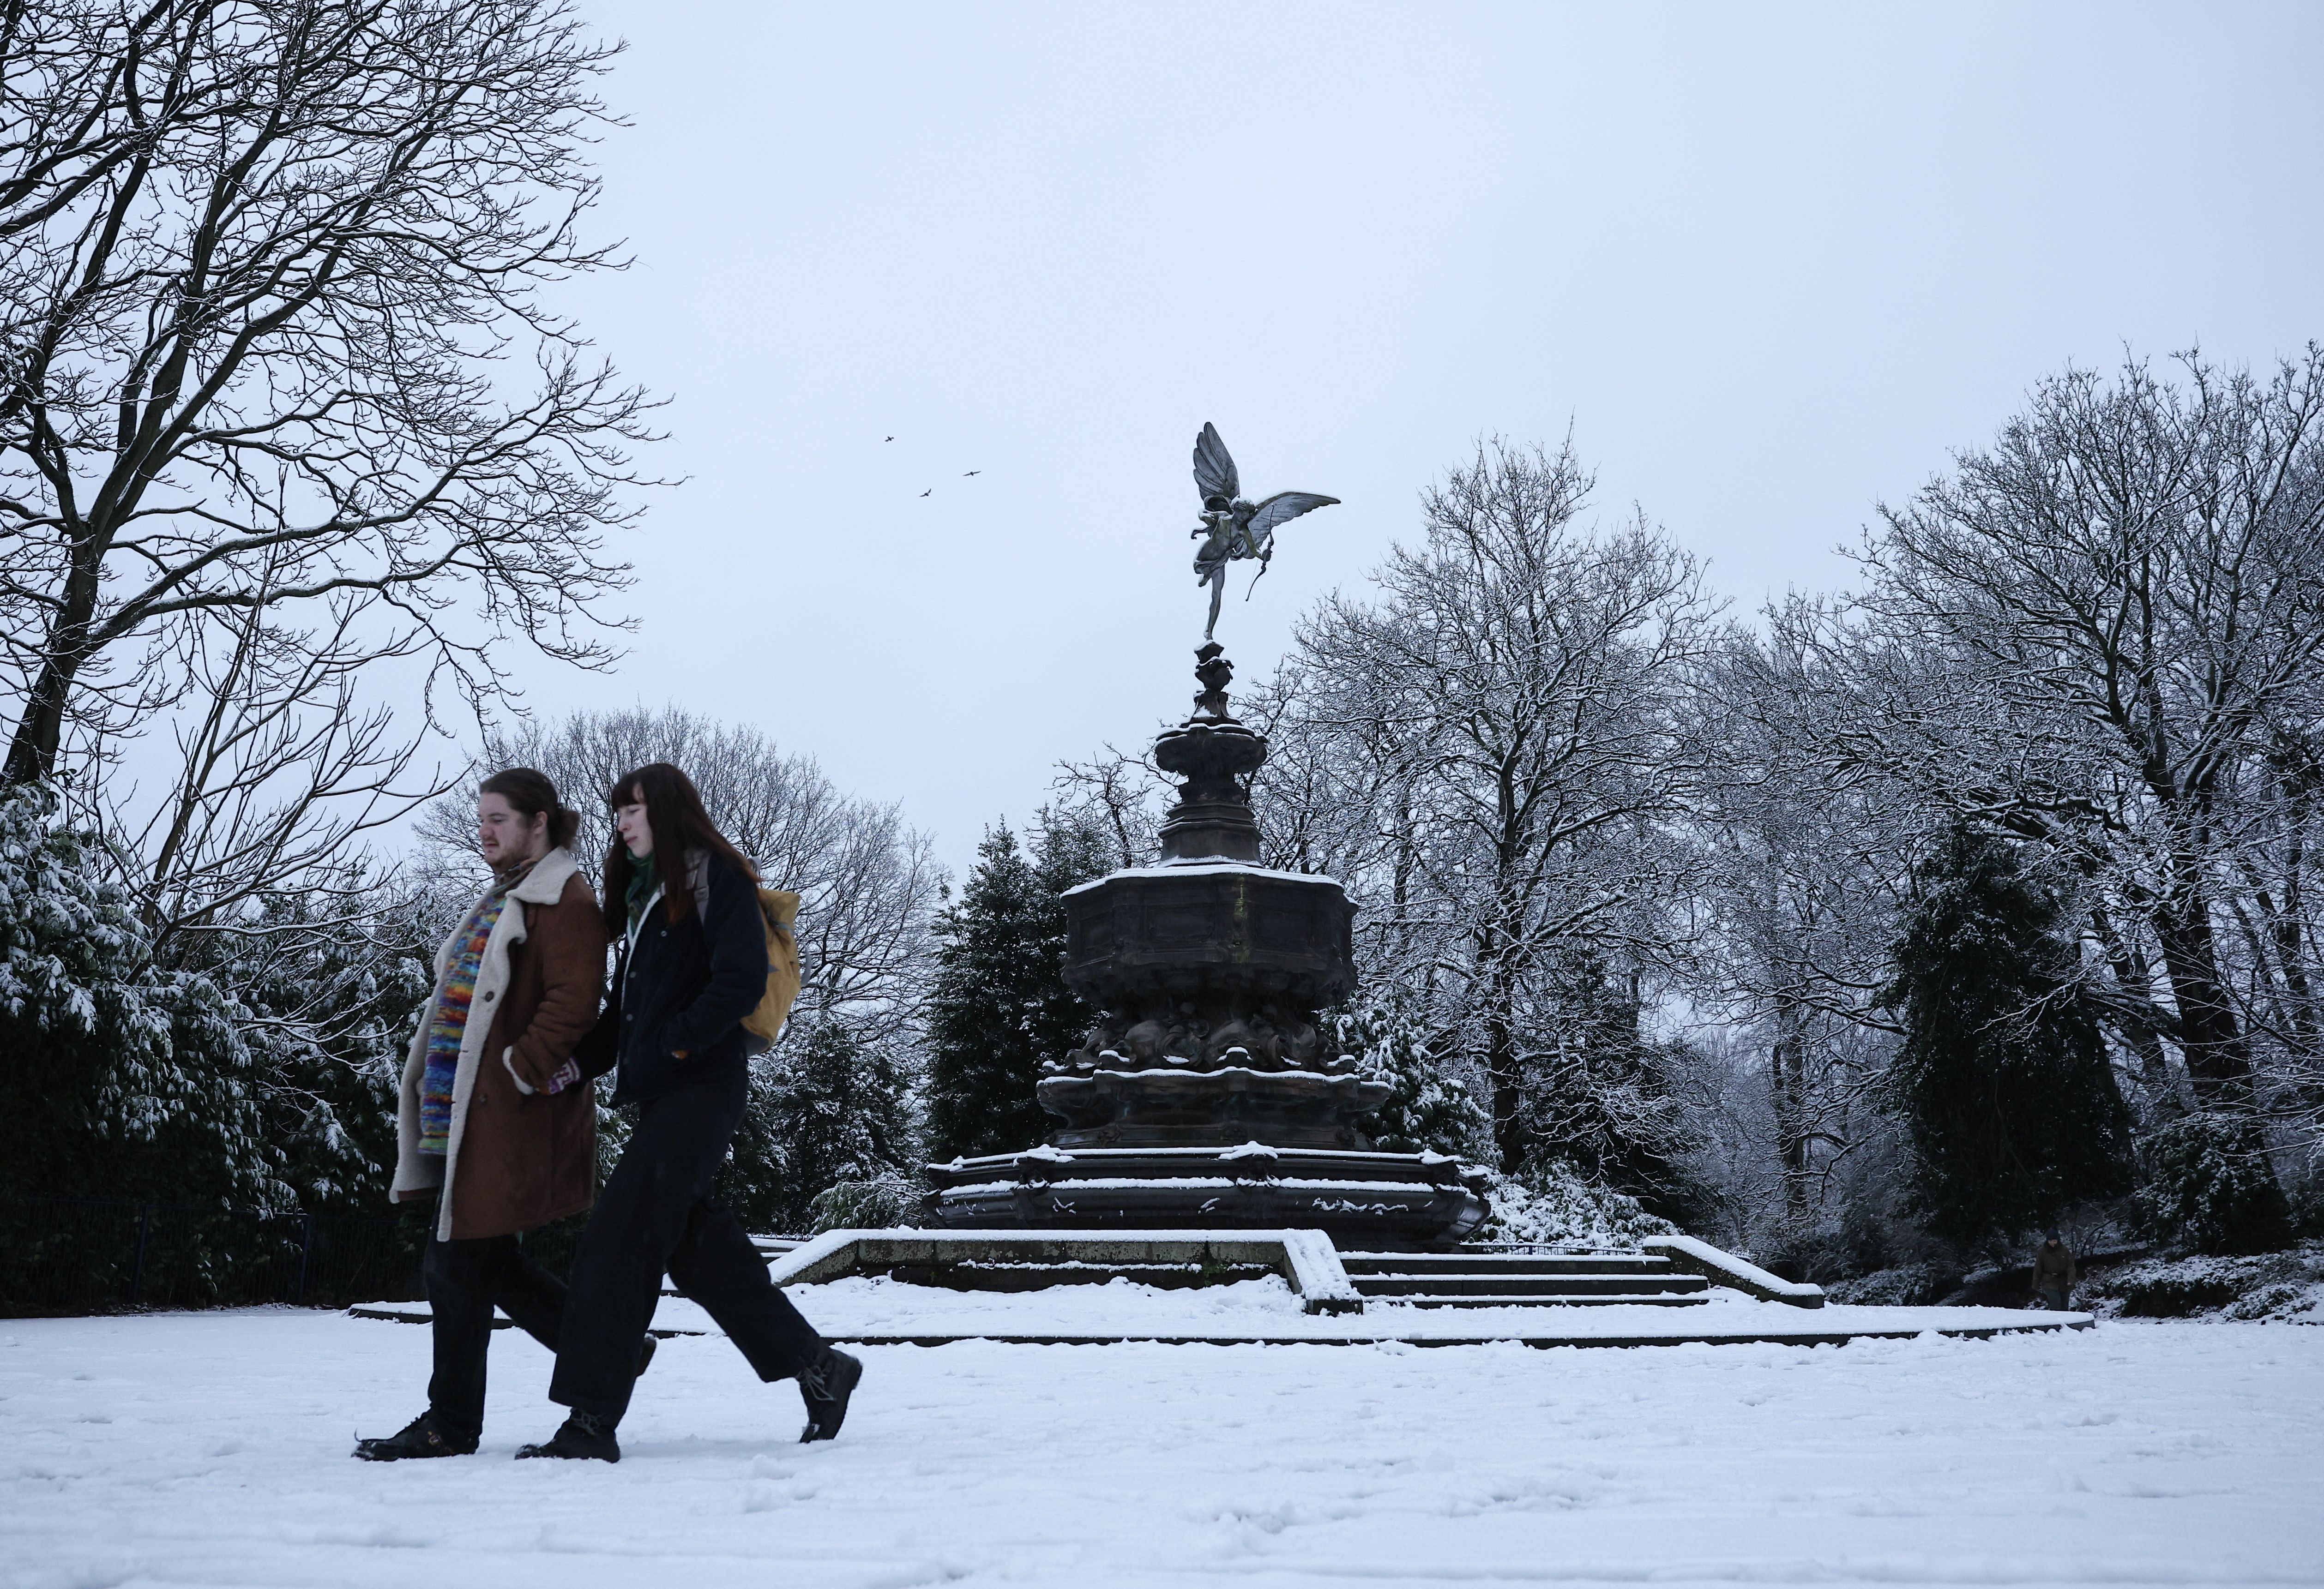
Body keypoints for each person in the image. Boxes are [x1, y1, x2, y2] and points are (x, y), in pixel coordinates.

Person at [517, 762, 861, 1463]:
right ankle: (818, 1365)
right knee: (698, 1253)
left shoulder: (717, 878)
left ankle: (591, 1418)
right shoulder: (653, 902)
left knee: (618, 1240)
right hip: (668, 1095)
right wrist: (578, 1061)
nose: (621, 822)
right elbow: (625, 1016)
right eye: (616, 812)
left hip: (701, 1088)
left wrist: (676, 1042)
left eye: (633, 808)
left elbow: (739, 980)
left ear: (669, 809)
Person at [357, 769, 620, 1460]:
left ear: (540, 822)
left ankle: (450, 1422)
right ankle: (606, 1347)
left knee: (453, 1264)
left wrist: (518, 1073)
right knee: (485, 1263)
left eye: (498, 819)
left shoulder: (565, 895)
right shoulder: (505, 892)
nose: (485, 832)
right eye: (482, 821)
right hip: (461, 1111)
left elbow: (575, 1000)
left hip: (502, 1114)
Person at [2032, 1230, 2077, 1311]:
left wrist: (2071, 1279)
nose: (2052, 1243)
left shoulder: (2065, 1251)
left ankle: (2065, 1322)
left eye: (2054, 1241)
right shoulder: (2043, 1252)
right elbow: (2038, 1268)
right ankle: (2055, 1321)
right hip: (2049, 1281)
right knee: (2055, 1303)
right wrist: (2036, 1282)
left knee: (2064, 1305)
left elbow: (2071, 1266)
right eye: (2050, 1241)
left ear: (2058, 1241)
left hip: (2064, 1280)